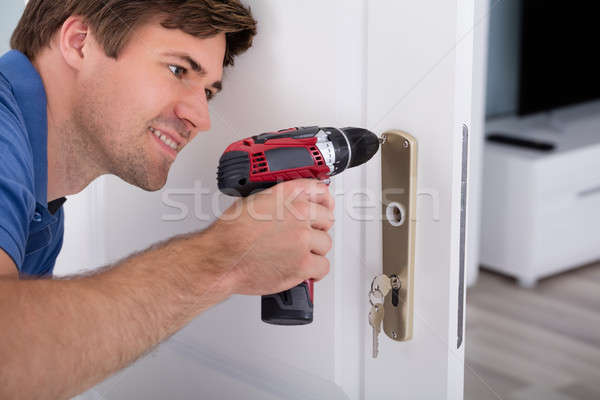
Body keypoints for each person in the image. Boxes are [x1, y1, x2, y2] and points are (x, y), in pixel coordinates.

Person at [0, 1, 334, 398]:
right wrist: (224, 258)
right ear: (79, 42)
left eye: (208, 92)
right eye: (178, 70)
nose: (201, 118)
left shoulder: (43, 204)